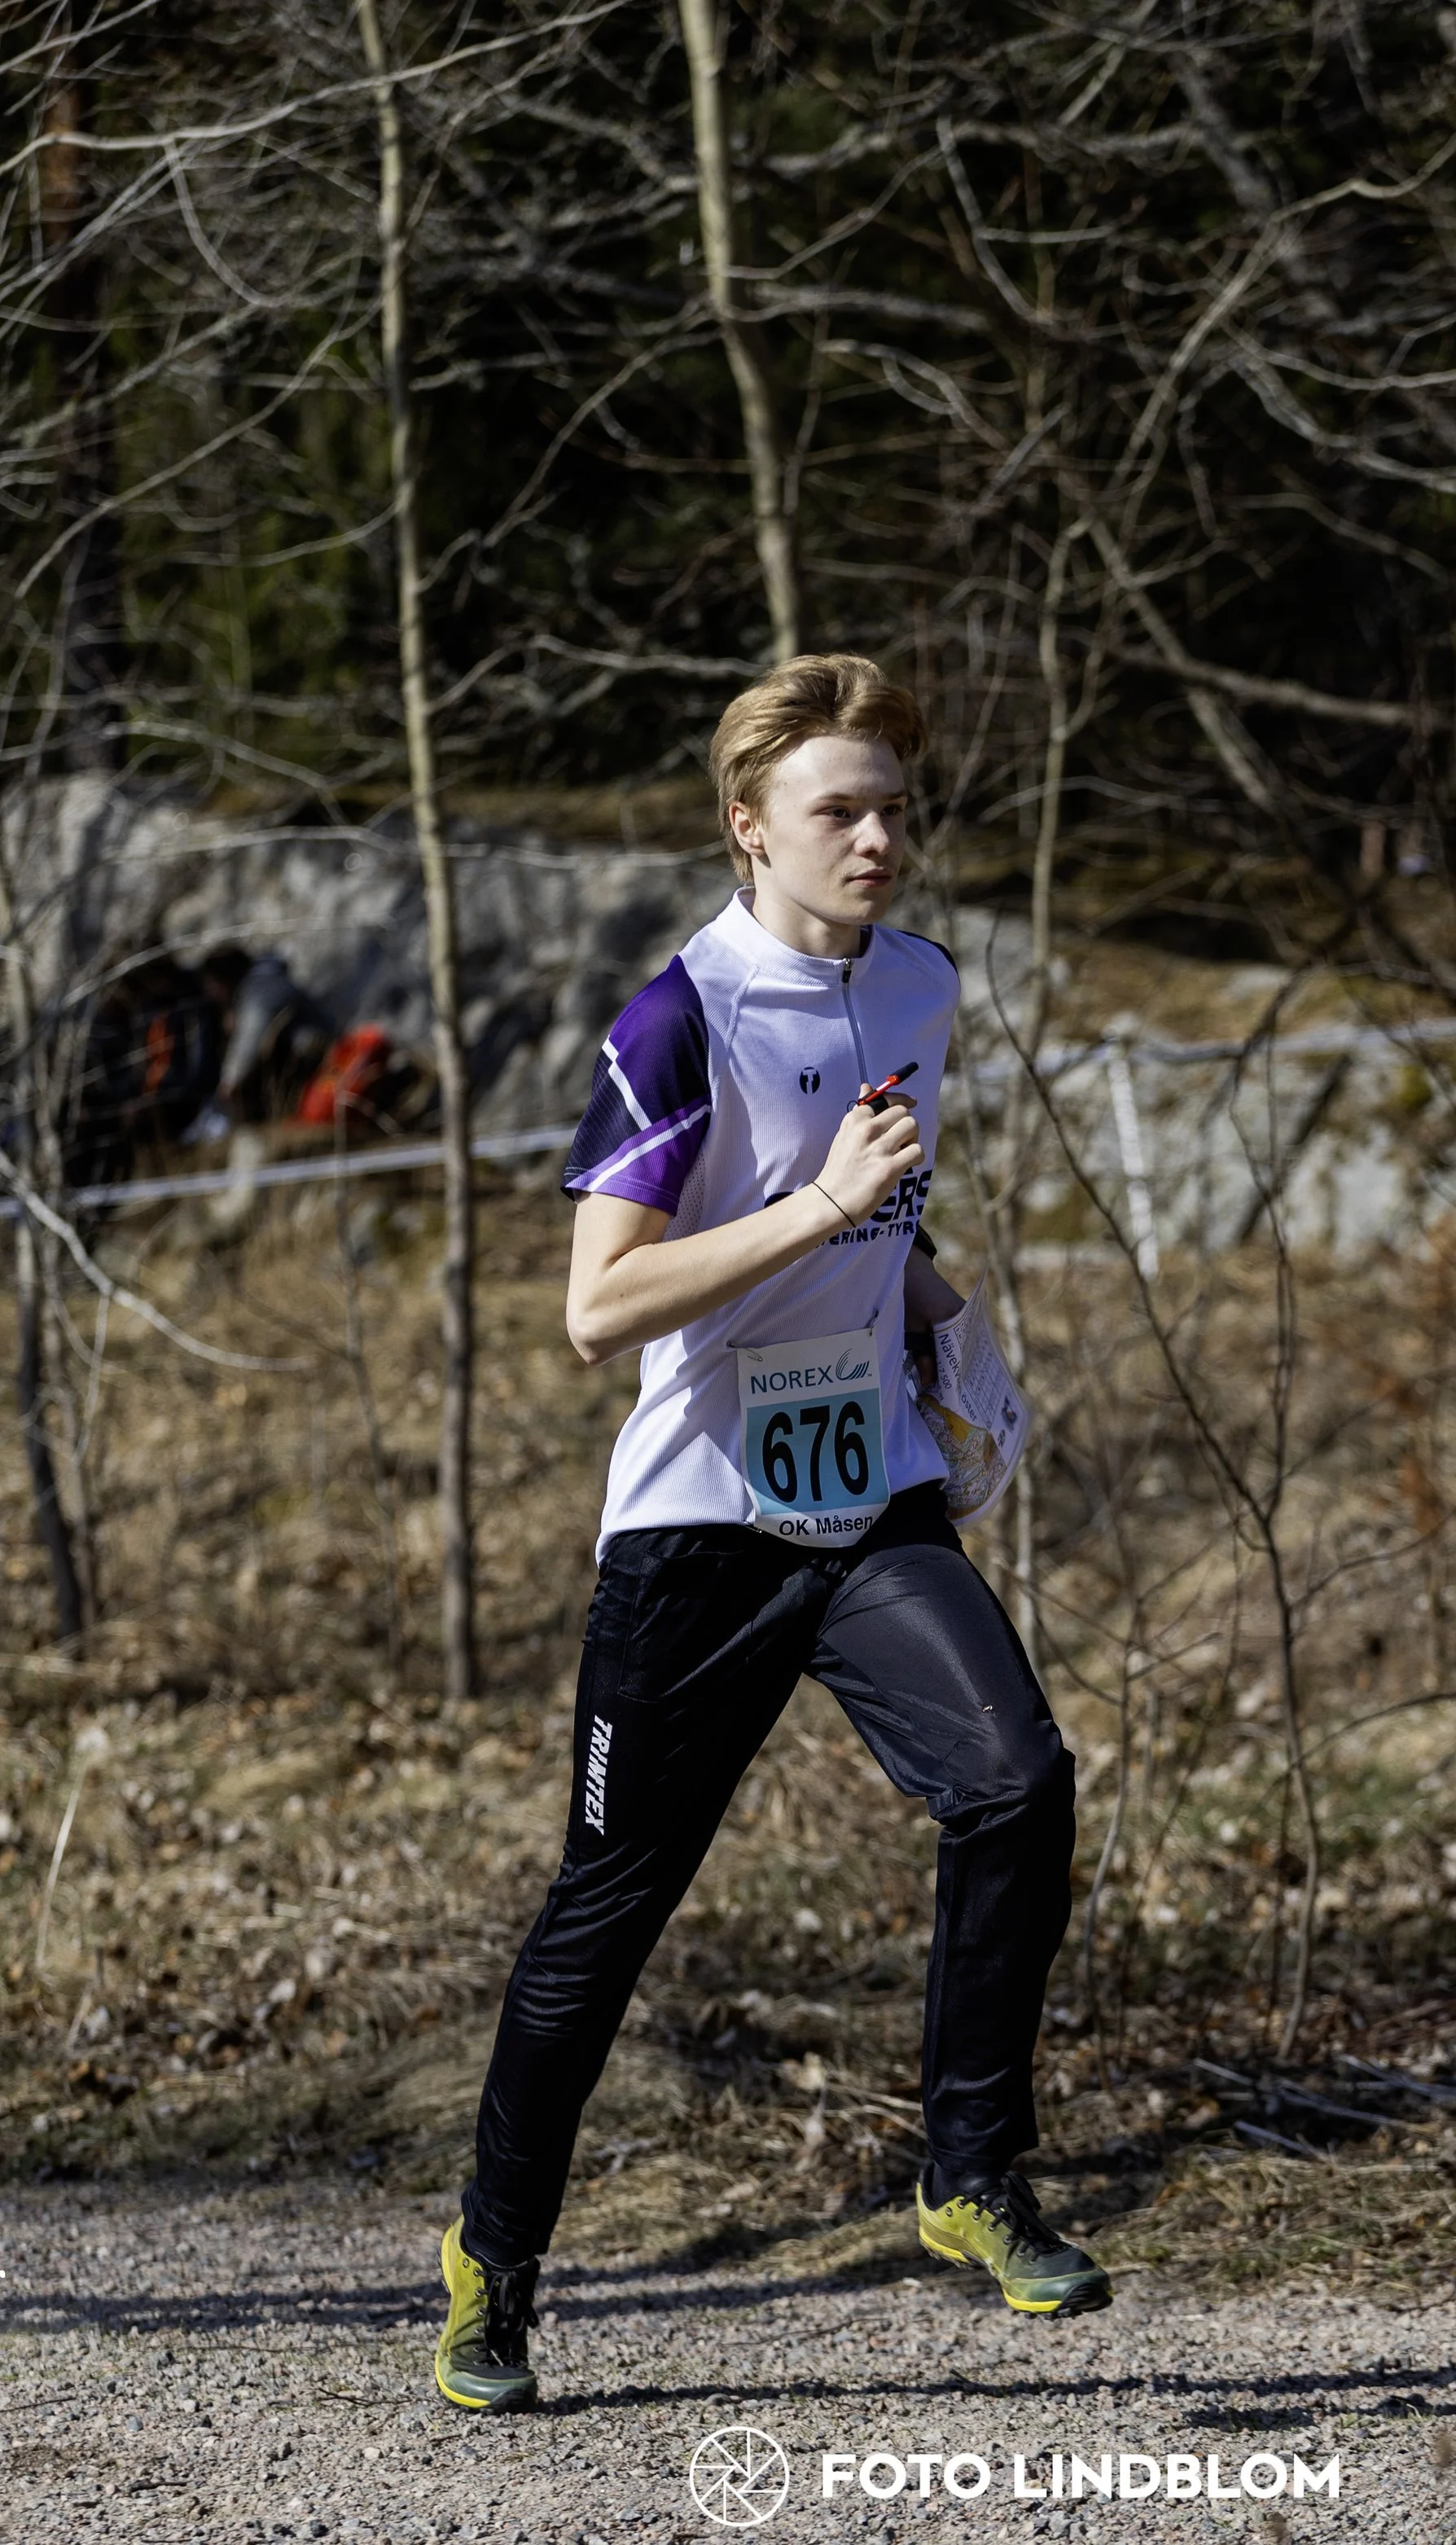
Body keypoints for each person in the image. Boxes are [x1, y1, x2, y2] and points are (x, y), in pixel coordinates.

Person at [432, 654, 1108, 2416]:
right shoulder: (682, 1015)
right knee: (611, 1907)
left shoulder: (924, 987)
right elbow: (599, 1305)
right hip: (697, 1534)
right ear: (749, 827)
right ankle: (492, 2262)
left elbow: (883, 1234)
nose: (878, 835)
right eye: (838, 808)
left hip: (864, 1496)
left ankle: (965, 2175)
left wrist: (955, 1337)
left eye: (895, 804)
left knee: (1016, 1779)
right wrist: (818, 1203)